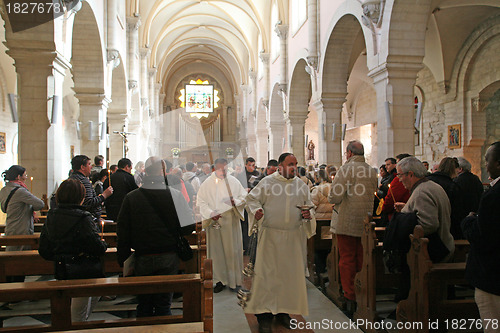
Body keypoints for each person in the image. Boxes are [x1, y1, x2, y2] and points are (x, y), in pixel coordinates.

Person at [245, 153, 315, 332]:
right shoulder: (267, 183)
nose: (294, 167)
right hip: (270, 238)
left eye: (296, 164)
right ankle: (265, 318)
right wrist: (257, 211)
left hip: (293, 239)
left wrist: (308, 216)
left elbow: (310, 207)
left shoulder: (301, 185)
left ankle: (284, 313)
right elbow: (251, 200)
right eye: (290, 164)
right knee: (267, 278)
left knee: (287, 279)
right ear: (280, 166)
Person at [117, 156, 195, 317]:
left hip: (142, 256)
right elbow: (189, 227)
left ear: (145, 171)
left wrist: (123, 259)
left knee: (144, 304)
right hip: (168, 255)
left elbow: (122, 231)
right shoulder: (175, 195)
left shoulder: (132, 197)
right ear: (163, 171)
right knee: (164, 304)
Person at [38, 179, 107, 322]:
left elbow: (44, 249)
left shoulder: (52, 215)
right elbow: (96, 247)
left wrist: (60, 255)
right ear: (81, 197)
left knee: (72, 312)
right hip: (82, 269)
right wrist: (103, 244)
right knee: (79, 315)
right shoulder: (83, 217)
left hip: (61, 268)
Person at [393, 156, 455, 301]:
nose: (399, 179)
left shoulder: (422, 191)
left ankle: (414, 312)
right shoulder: (431, 186)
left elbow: (428, 224)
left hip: (433, 250)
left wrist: (403, 223)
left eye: (400, 175)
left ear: (411, 174)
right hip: (444, 243)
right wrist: (407, 209)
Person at [328, 141, 378, 316]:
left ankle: (350, 296)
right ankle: (362, 292)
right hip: (365, 222)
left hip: (347, 221)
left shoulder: (346, 169)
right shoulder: (371, 170)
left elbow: (334, 196)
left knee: (347, 259)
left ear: (349, 153)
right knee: (362, 258)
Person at [461, 142, 500, 332]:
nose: (486, 164)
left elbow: (482, 236)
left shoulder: (494, 195)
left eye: (488, 159)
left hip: (492, 274)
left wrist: (468, 221)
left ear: (498, 163)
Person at [197, 158, 247, 293]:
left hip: (230, 223)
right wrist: (210, 212)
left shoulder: (234, 182)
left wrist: (234, 201)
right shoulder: (207, 184)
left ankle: (234, 280)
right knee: (217, 253)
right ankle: (219, 280)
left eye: (225, 169)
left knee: (232, 251)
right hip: (214, 224)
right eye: (220, 169)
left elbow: (244, 197)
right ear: (214, 169)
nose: (223, 172)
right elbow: (201, 202)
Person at [0, 165, 44, 282]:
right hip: (21, 229)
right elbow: (40, 204)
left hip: (10, 228)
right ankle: (16, 290)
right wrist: (31, 207)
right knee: (19, 262)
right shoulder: (20, 191)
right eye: (25, 175)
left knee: (11, 257)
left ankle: (10, 286)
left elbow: (4, 209)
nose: (26, 177)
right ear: (18, 176)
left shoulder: (4, 190)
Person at [427, 157, 466, 239]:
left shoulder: (427, 180)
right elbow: (457, 212)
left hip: (428, 222)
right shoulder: (452, 187)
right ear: (453, 170)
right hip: (446, 226)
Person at [70, 155, 113, 220]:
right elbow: (89, 203)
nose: (91, 167)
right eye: (89, 164)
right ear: (82, 167)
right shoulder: (83, 181)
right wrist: (104, 195)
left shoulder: (71, 178)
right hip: (86, 218)